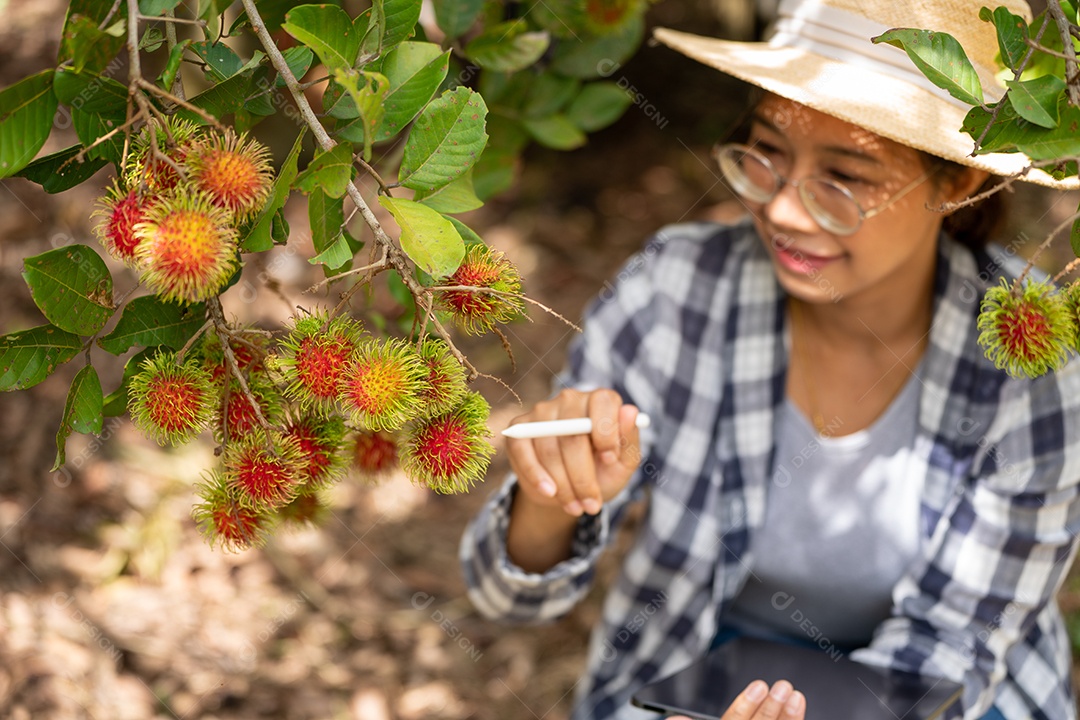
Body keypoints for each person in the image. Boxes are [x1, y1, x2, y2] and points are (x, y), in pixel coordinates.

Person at [459, 0, 1080, 718]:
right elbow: (507, 595)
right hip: (700, 670)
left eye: (845, 177)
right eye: (767, 155)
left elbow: (954, 645)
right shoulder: (675, 290)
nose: (783, 210)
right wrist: (549, 500)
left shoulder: (1032, 353)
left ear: (958, 182)